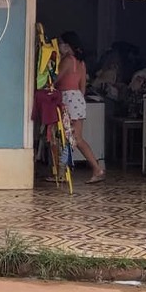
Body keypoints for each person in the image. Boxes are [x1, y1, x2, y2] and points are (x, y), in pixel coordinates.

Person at [56, 31, 105, 184]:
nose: (59, 46)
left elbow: (55, 79)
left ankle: (95, 169)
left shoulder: (67, 61)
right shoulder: (81, 63)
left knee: (69, 138)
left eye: (61, 43)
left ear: (68, 45)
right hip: (78, 100)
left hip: (68, 100)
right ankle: (64, 171)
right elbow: (83, 88)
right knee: (74, 139)